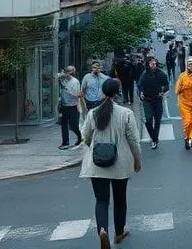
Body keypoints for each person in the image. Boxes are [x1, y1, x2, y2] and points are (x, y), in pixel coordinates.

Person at [79, 78, 142, 248]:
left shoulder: (93, 113)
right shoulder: (126, 113)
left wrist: (92, 144)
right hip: (120, 164)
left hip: (97, 162)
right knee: (120, 198)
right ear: (117, 93)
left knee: (101, 200)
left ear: (102, 92)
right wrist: (137, 158)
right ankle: (119, 232)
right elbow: (134, 140)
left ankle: (102, 230)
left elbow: (85, 136)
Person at [137, 57, 169, 150]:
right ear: (148, 64)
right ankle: (154, 138)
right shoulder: (144, 74)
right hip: (147, 99)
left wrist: (163, 91)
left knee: (158, 120)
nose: (153, 65)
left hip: (158, 99)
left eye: (155, 63)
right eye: (151, 64)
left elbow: (166, 85)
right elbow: (140, 85)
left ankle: (154, 139)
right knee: (148, 119)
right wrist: (141, 92)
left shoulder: (161, 74)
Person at [58, 66, 83, 150]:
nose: (67, 73)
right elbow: (52, 77)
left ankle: (80, 137)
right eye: (65, 72)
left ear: (72, 73)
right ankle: (65, 142)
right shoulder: (63, 79)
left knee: (73, 125)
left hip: (73, 106)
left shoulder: (75, 82)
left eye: (68, 72)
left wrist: (68, 90)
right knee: (63, 124)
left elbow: (77, 94)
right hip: (64, 105)